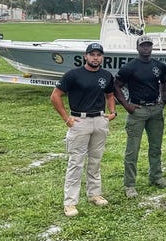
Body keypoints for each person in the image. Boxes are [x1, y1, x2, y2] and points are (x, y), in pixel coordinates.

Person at [50, 42, 116, 217]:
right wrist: (66, 118)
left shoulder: (106, 75)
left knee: (95, 160)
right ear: (85, 56)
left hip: (99, 120)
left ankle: (94, 194)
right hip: (80, 121)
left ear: (102, 57)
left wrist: (112, 112)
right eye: (92, 54)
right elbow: (55, 95)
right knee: (76, 162)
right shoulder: (73, 75)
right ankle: (70, 202)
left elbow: (110, 94)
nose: (96, 58)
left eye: (99, 55)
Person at [113, 35, 166, 198]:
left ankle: (156, 176)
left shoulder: (159, 66)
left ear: (152, 47)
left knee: (156, 147)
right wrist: (126, 104)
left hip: (155, 110)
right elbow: (116, 85)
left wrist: (163, 98)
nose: (146, 48)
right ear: (137, 48)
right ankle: (129, 184)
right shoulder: (130, 67)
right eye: (143, 45)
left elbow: (164, 82)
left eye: (149, 45)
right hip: (137, 111)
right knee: (132, 150)